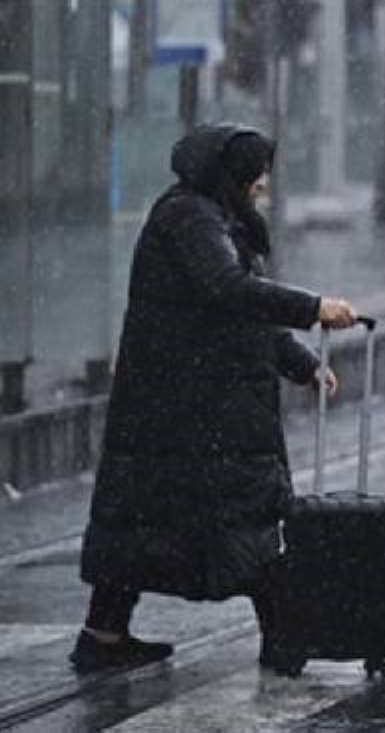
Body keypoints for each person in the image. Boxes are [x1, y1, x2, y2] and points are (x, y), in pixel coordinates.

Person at [72, 123, 360, 674]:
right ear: (231, 176)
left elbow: (236, 313)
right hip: (195, 410)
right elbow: (228, 293)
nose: (261, 188)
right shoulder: (190, 218)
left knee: (145, 523)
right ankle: (286, 639)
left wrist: (301, 362)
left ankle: (104, 635)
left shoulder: (207, 216)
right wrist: (312, 306)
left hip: (180, 407)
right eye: (256, 177)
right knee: (244, 520)